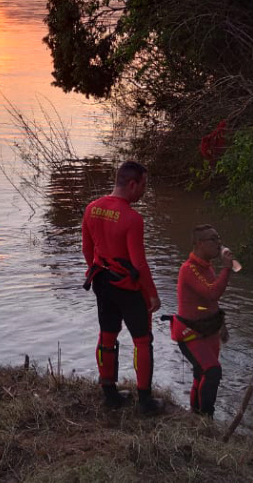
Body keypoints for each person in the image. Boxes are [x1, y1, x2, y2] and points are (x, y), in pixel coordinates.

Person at [82, 161, 161, 412]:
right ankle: (145, 401)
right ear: (132, 184)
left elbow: (87, 250)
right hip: (126, 286)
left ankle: (110, 394)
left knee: (107, 335)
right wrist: (152, 296)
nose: (144, 191)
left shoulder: (92, 208)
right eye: (144, 185)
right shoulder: (132, 219)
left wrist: (97, 272)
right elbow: (139, 264)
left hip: (100, 281)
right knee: (142, 340)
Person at [170, 224, 235, 417]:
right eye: (213, 239)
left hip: (207, 330)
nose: (218, 243)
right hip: (190, 333)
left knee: (201, 373)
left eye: (218, 238)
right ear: (199, 243)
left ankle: (195, 415)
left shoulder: (206, 267)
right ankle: (206, 418)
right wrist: (227, 269)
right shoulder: (189, 269)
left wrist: (221, 325)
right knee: (212, 371)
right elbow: (212, 293)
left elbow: (209, 302)